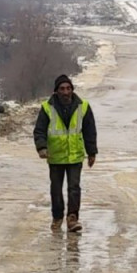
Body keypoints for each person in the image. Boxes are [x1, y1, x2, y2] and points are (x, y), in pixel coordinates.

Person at [33, 74, 97, 233]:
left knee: (74, 188)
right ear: (56, 91)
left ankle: (72, 218)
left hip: (75, 156)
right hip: (55, 156)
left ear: (72, 90)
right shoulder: (47, 108)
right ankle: (57, 217)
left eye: (68, 88)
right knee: (56, 189)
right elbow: (39, 130)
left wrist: (92, 152)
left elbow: (90, 131)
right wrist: (41, 148)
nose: (66, 92)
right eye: (62, 89)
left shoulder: (83, 106)